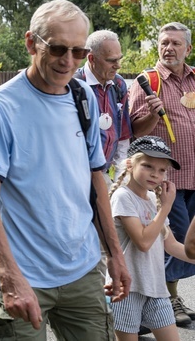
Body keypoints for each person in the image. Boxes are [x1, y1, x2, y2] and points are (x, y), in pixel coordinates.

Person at [0, 0, 130, 339]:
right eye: (58, 48)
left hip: (83, 269)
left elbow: (95, 180)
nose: (68, 61)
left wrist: (115, 255)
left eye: (78, 50)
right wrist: (9, 277)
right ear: (31, 43)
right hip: (23, 275)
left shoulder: (82, 96)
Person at [128, 22, 195, 327]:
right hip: (167, 180)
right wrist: (153, 114)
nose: (169, 48)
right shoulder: (147, 81)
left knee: (191, 242)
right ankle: (168, 299)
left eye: (175, 43)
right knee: (176, 238)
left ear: (188, 49)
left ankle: (165, 299)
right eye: (164, 42)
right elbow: (134, 133)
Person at [107, 135, 195, 340]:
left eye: (162, 170)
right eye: (148, 166)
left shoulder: (152, 198)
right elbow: (143, 242)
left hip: (155, 287)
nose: (155, 174)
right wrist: (165, 207)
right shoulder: (122, 197)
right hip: (127, 290)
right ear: (130, 164)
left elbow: (172, 245)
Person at [74, 30, 132, 181]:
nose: (118, 66)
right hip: (76, 175)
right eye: (111, 61)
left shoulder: (118, 85)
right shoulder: (74, 86)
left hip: (104, 175)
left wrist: (121, 173)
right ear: (92, 58)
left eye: (119, 59)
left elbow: (123, 135)